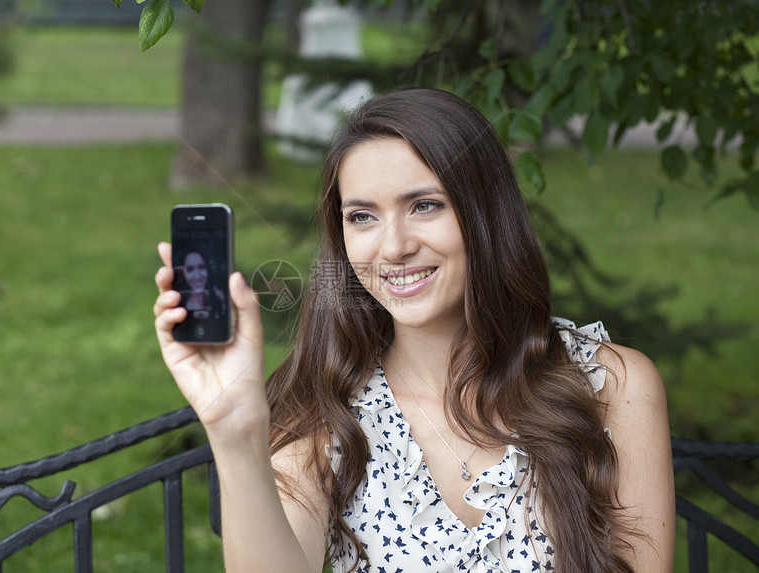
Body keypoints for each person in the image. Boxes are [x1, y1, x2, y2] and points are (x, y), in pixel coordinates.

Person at [153, 88, 675, 572]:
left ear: (485, 214)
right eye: (362, 217)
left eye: (424, 206)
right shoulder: (325, 402)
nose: (394, 246)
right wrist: (235, 429)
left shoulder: (610, 382)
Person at [173, 250, 225, 318]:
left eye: (202, 267)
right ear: (182, 273)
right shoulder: (176, 299)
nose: (197, 276)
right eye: (190, 269)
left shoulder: (219, 295)